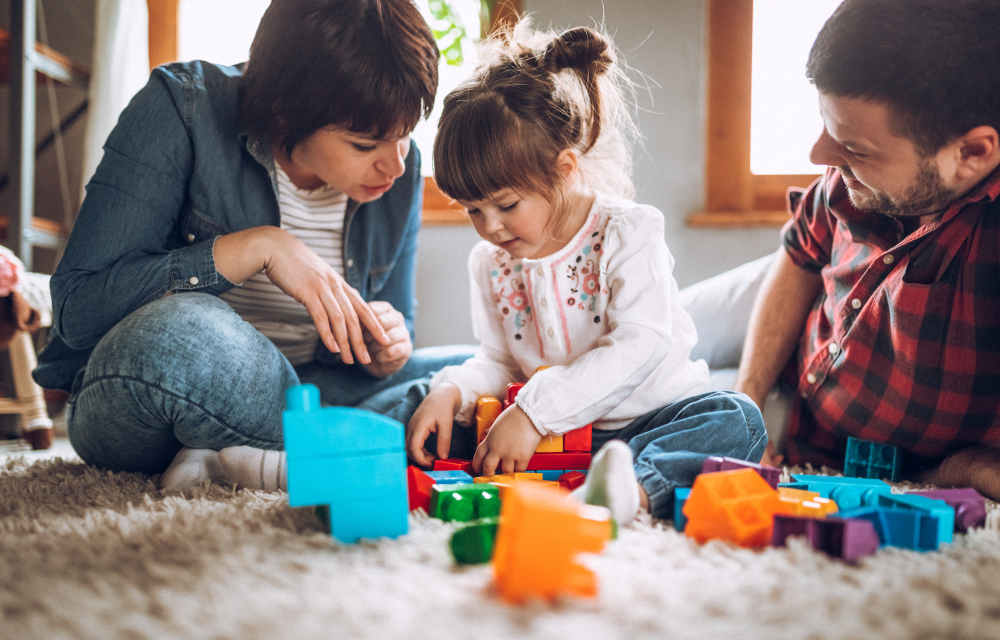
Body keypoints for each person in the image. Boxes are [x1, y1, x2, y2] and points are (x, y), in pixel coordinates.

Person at [32, 0, 473, 490]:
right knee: (183, 334)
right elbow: (78, 307)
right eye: (364, 145)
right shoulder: (182, 107)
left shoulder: (398, 171)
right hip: (159, 386)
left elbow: (394, 325)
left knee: (471, 375)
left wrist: (386, 347)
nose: (394, 165)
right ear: (284, 112)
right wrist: (259, 247)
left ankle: (238, 458)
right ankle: (346, 445)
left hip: (315, 387)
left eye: (407, 135)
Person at [405, 23, 768, 525]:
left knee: (738, 420)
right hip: (552, 437)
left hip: (648, 422)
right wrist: (455, 390)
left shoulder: (628, 232)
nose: (488, 227)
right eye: (471, 210)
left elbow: (643, 343)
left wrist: (535, 413)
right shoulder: (489, 263)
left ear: (565, 168)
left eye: (506, 204)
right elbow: (498, 359)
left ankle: (630, 488)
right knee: (432, 413)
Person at [731, 0, 1000, 499]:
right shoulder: (850, 178)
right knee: (654, 353)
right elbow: (798, 258)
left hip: (858, 448)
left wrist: (962, 469)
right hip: (791, 332)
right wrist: (748, 398)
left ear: (973, 153)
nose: (817, 156)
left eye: (855, 148)